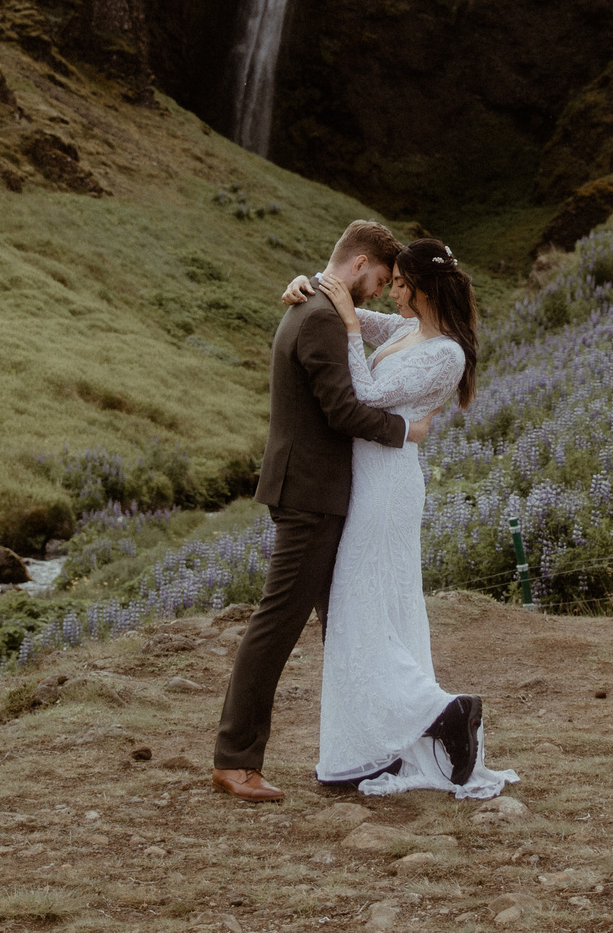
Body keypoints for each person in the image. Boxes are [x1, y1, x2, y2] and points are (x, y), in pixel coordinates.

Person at [210, 221, 431, 802]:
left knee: (348, 622)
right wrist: (406, 430)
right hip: (309, 496)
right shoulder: (322, 318)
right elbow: (342, 411)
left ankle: (365, 750)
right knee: (278, 622)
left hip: (316, 492)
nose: (380, 291)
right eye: (379, 279)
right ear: (358, 264)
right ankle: (235, 761)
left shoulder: (312, 304)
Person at [290, 238, 515, 799]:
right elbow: (344, 302)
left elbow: (366, 395)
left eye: (398, 284)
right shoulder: (406, 330)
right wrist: (305, 285)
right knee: (373, 607)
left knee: (360, 606)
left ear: (422, 288)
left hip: (387, 487)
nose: (390, 292)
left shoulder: (446, 354)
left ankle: (440, 712)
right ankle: (370, 750)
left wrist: (347, 327)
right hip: (370, 478)